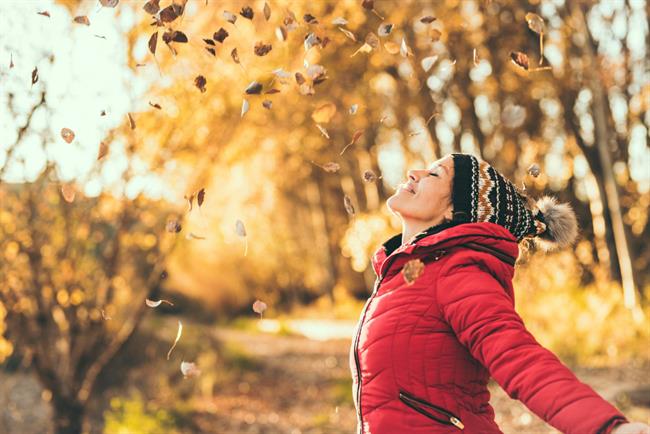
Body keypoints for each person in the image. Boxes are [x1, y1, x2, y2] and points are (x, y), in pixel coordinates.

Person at [349, 153, 650, 434]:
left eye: (433, 174)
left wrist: (607, 427)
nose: (413, 173)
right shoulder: (403, 275)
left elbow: (520, 359)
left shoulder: (458, 274)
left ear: (456, 209)